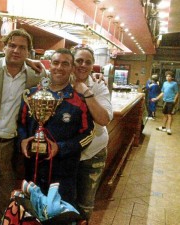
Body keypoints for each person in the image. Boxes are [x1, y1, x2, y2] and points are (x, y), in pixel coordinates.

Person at [0, 28, 44, 225]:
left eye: (22, 47)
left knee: (6, 198)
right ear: (4, 47)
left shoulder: (34, 77)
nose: (16, 50)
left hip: (11, 148)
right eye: (11, 45)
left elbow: (60, 79)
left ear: (28, 52)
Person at [18, 48, 95, 205]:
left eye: (65, 64)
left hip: (63, 174)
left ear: (72, 68)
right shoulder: (32, 95)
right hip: (33, 170)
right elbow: (21, 124)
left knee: (58, 217)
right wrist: (22, 140)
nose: (59, 67)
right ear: (50, 65)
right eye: (56, 63)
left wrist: (60, 148)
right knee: (31, 215)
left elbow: (88, 135)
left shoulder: (79, 101)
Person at [70, 45, 113, 222]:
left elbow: (104, 119)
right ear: (72, 61)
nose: (83, 65)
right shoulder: (60, 80)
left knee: (85, 205)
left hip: (92, 155)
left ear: (93, 65)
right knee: (64, 201)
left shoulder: (98, 86)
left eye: (88, 62)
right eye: (79, 60)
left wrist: (86, 92)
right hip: (67, 154)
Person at [152, 71, 179, 135]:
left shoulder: (174, 84)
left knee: (169, 115)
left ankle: (169, 129)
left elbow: (177, 93)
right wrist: (156, 98)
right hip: (165, 101)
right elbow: (162, 92)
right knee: (165, 114)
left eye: (169, 76)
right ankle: (163, 127)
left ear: (172, 77)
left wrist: (174, 100)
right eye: (167, 76)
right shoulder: (164, 83)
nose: (168, 77)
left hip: (171, 102)